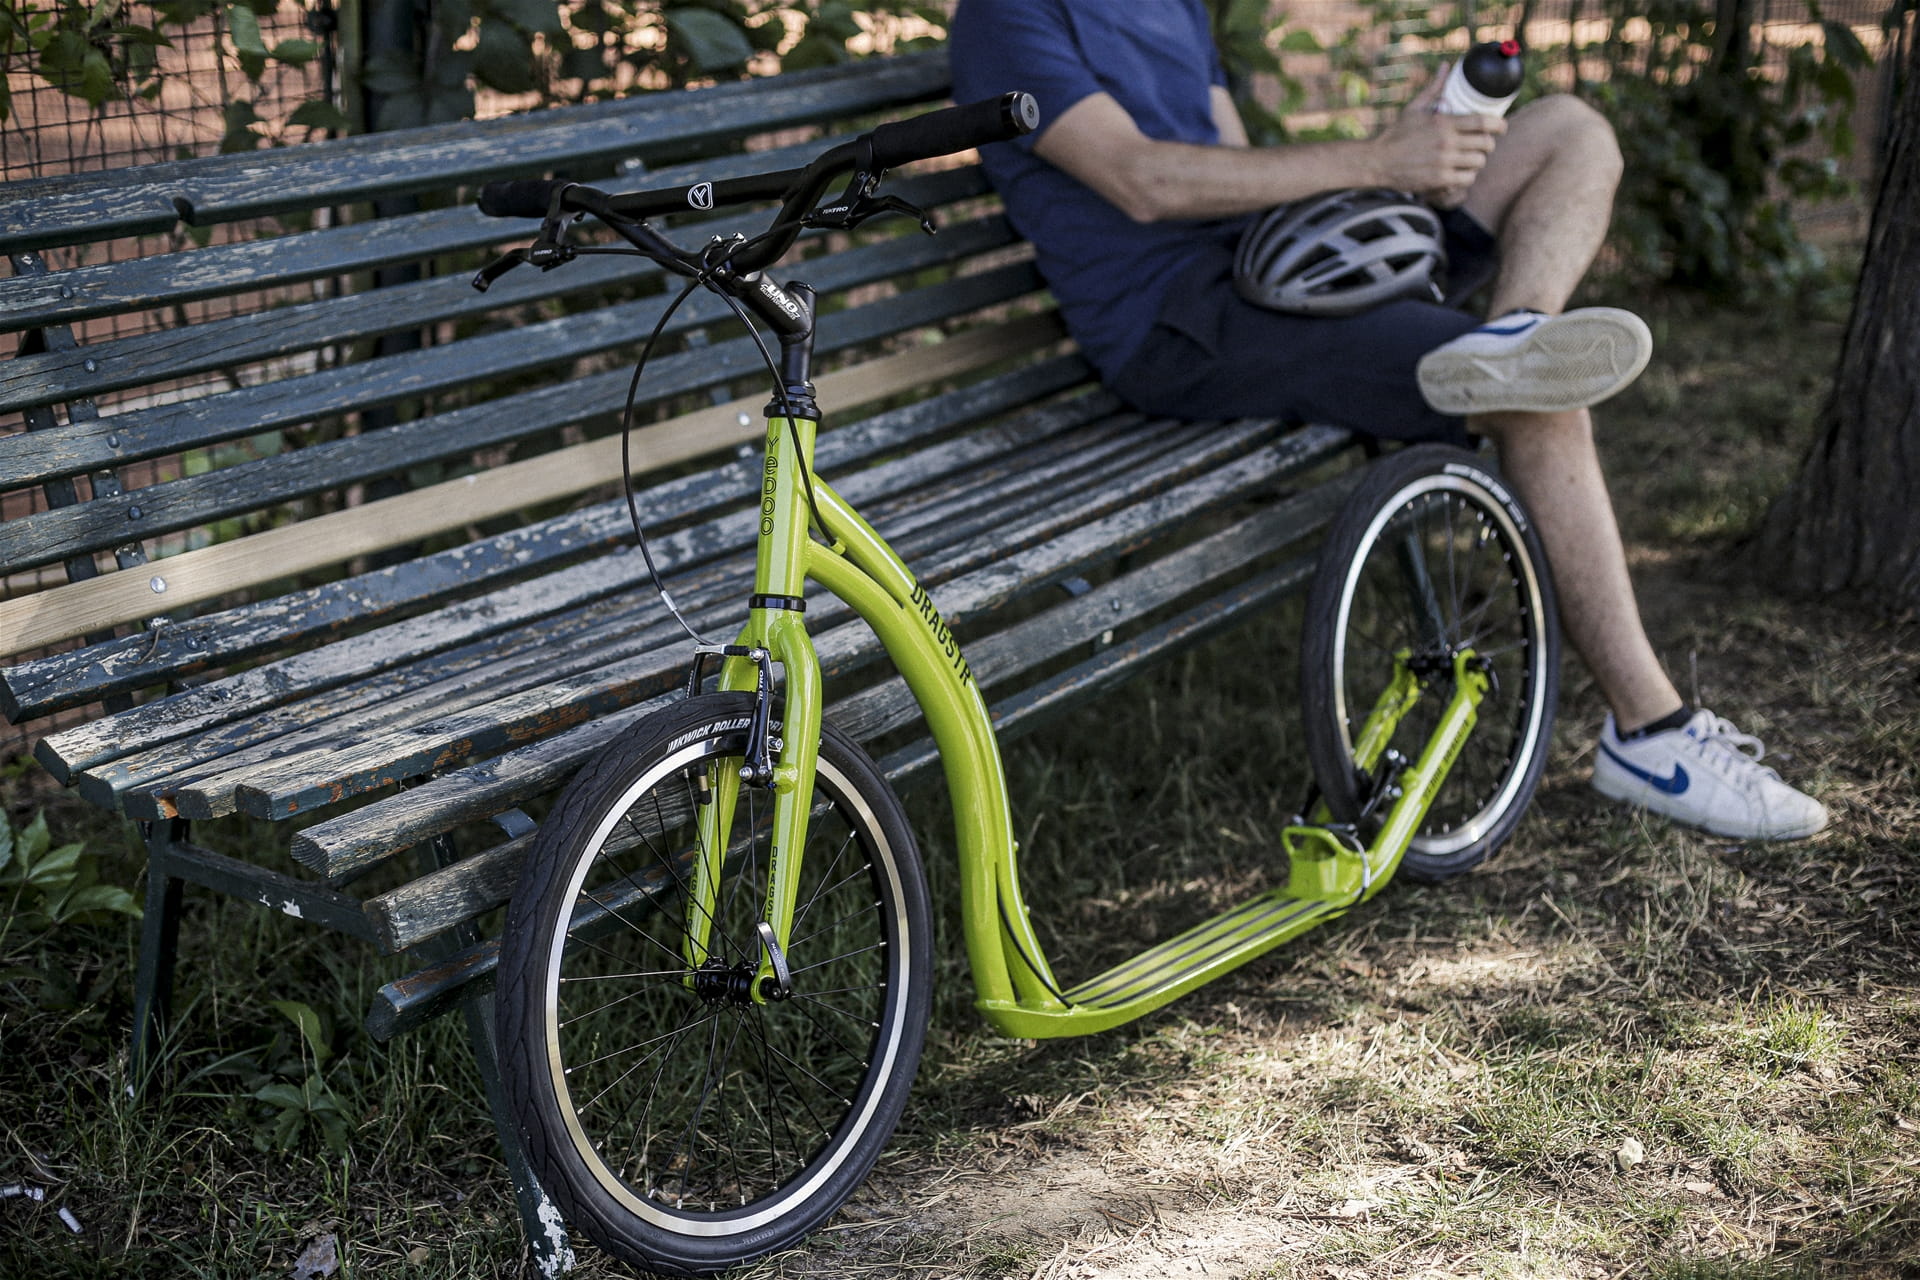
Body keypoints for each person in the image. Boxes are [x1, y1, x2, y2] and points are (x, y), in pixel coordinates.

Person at [948, 0, 1826, 841]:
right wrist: (1378, 160)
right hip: (1182, 323)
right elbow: (1143, 180)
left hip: (1277, 258)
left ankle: (1516, 331)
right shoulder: (1008, 15)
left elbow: (1233, 165)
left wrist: (1410, 163)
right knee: (1537, 402)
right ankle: (1651, 736)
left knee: (1568, 130)